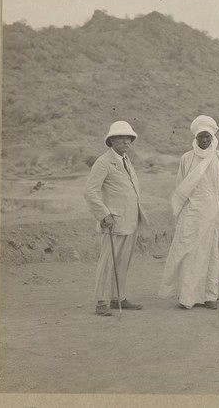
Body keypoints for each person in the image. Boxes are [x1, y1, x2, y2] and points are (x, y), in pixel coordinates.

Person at [158, 115, 219, 310]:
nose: (204, 141)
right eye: (200, 137)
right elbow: (181, 188)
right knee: (189, 254)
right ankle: (187, 297)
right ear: (195, 138)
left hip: (213, 211)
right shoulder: (187, 158)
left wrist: (216, 210)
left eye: (207, 137)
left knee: (211, 253)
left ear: (212, 137)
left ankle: (209, 296)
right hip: (191, 213)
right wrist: (184, 213)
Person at [84, 120, 148, 316]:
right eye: (121, 137)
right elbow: (90, 192)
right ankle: (101, 302)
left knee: (122, 262)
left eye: (129, 137)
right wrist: (104, 214)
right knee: (107, 262)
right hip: (113, 222)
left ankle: (117, 298)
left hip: (130, 220)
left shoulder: (126, 160)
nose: (126, 141)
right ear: (111, 140)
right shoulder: (103, 162)